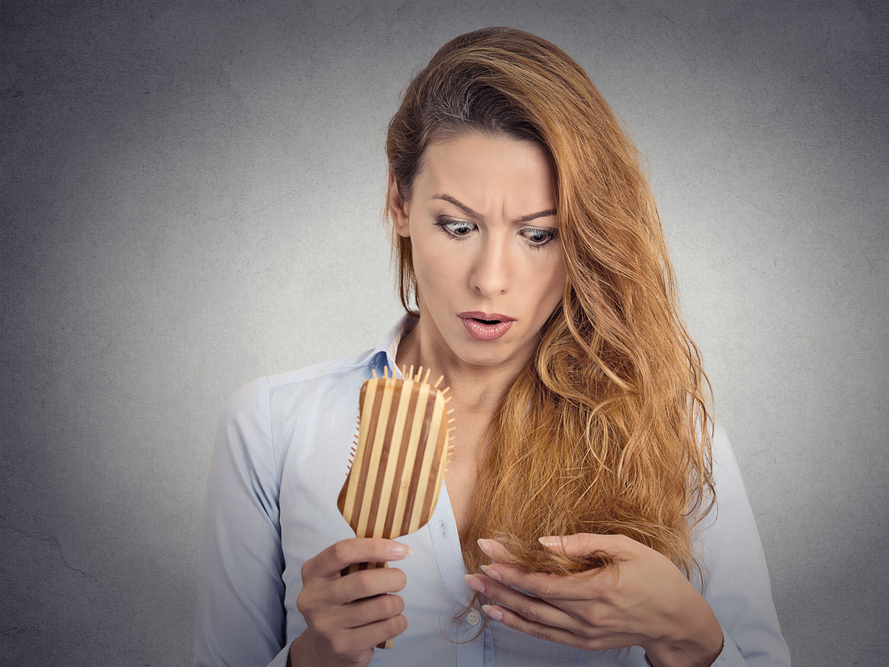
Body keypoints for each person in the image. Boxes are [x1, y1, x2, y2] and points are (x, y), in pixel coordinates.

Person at [194, 27, 791, 667]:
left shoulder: (669, 431)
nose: (490, 279)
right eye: (458, 226)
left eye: (539, 235)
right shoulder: (268, 428)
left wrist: (689, 637)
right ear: (398, 202)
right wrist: (309, 659)